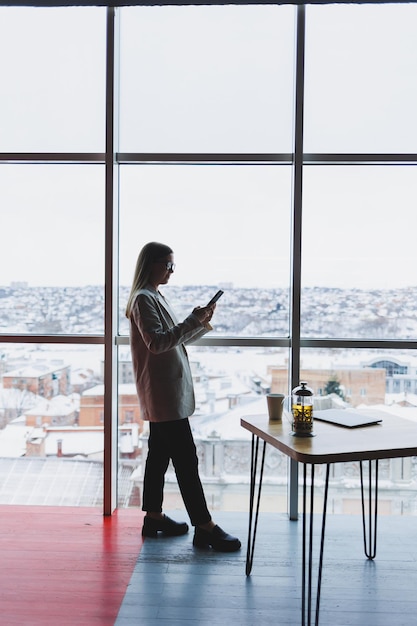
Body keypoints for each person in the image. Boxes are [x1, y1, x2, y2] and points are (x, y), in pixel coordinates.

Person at [125, 241, 241, 552]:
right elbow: (158, 343)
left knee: (159, 456)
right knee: (186, 460)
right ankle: (204, 526)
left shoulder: (152, 296)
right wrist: (191, 320)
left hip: (165, 391)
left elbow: (172, 340)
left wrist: (199, 323)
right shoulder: (143, 299)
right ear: (150, 264)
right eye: (168, 264)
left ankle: (153, 517)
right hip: (163, 392)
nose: (172, 270)